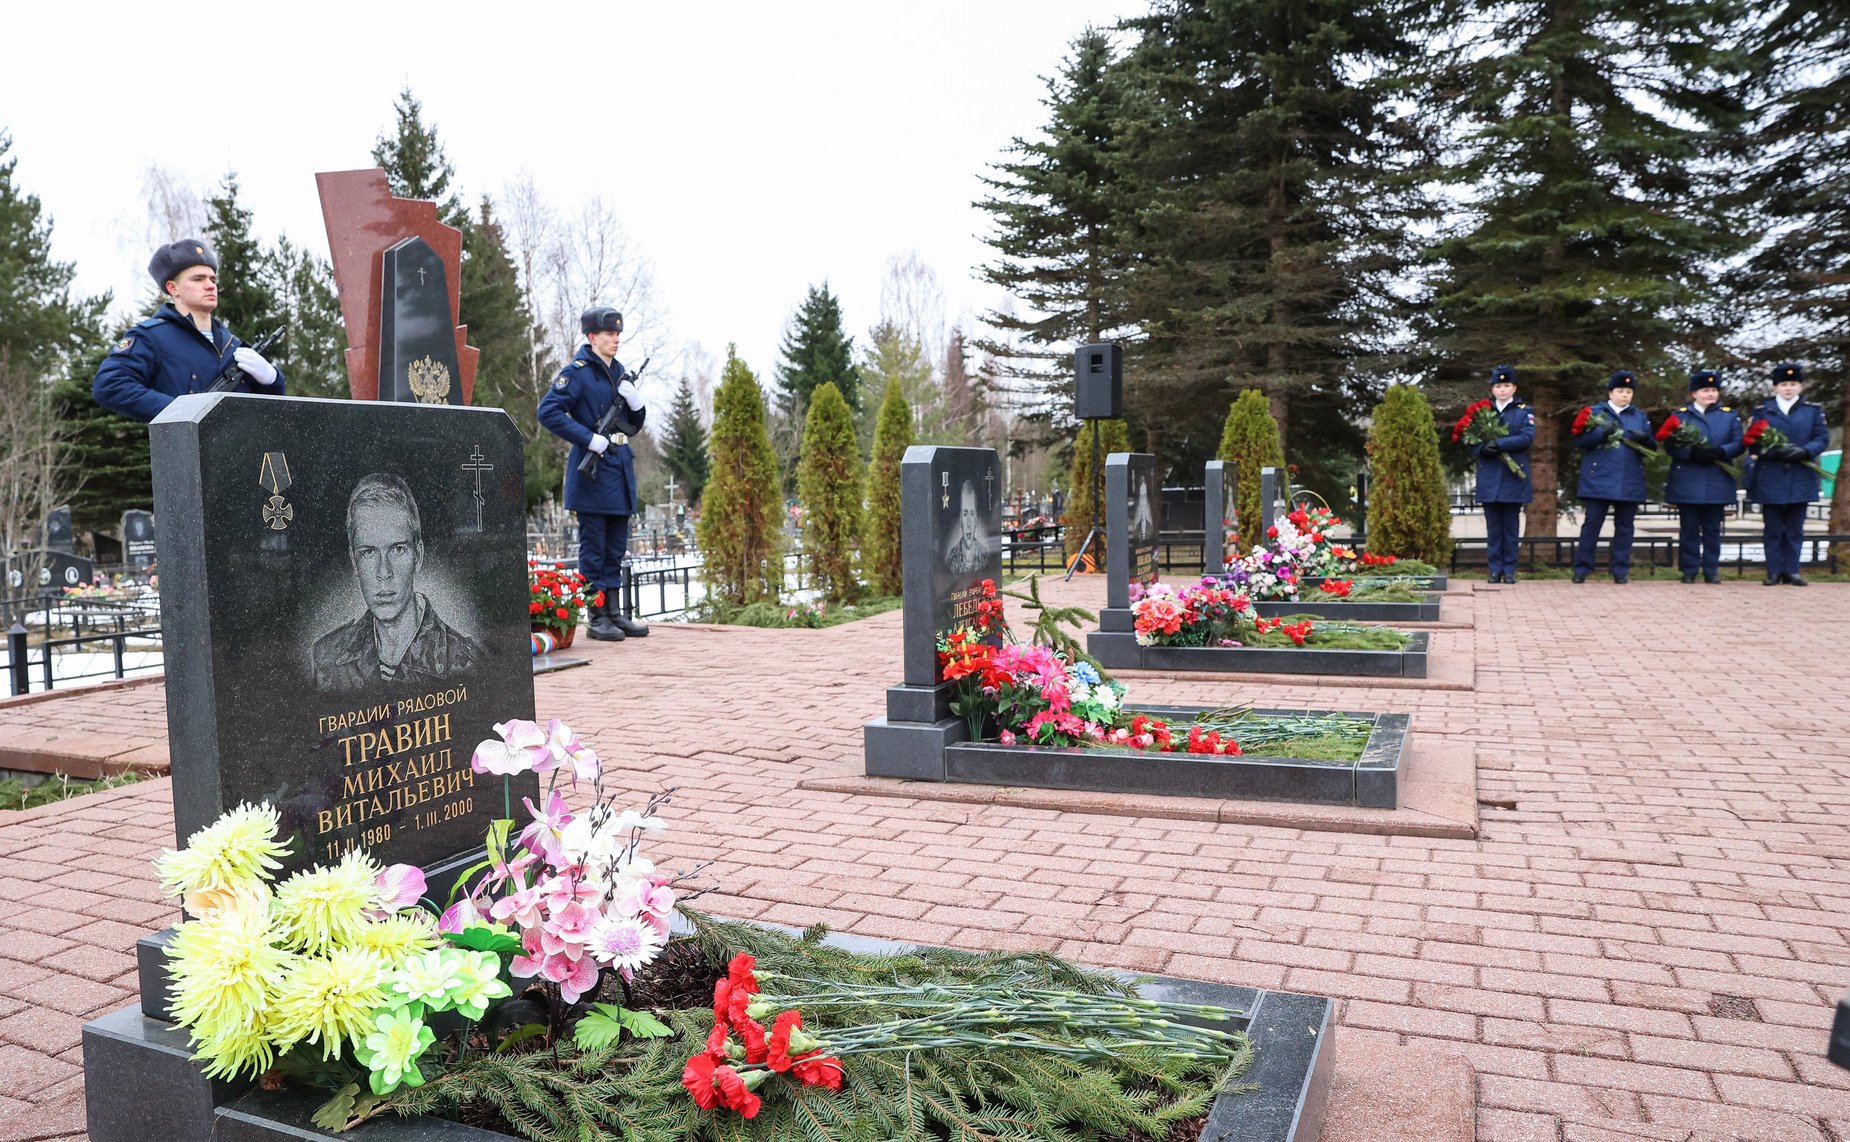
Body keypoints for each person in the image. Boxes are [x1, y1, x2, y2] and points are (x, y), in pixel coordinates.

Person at [538, 307, 648, 640]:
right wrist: (589, 438)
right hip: (593, 470)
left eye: (617, 334)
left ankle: (614, 613)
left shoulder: (621, 374)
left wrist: (637, 405)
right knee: (594, 548)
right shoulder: (579, 373)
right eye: (608, 334)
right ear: (592, 337)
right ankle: (597, 615)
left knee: (616, 547)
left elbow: (632, 426)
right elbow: (548, 412)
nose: (615, 339)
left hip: (619, 466)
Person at [313, 473, 480, 689]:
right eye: (369, 552)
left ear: (418, 556)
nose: (384, 572)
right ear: (354, 562)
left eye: (398, 549)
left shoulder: (465, 661)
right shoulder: (328, 656)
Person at [93, 238, 285, 421]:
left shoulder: (233, 344)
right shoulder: (151, 337)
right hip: (186, 451)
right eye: (198, 279)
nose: (210, 286)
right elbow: (110, 385)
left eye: (212, 279)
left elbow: (273, 408)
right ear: (173, 288)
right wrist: (182, 412)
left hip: (243, 450)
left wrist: (272, 379)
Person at [1745, 362, 1828, 586]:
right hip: (1771, 475)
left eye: (1793, 384)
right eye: (1783, 384)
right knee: (1772, 528)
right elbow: (1752, 442)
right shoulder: (1762, 411)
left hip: (1801, 475)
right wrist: (1773, 451)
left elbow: (1821, 438)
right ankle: (1773, 571)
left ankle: (1792, 571)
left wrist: (1805, 451)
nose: (1788, 388)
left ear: (1800, 386)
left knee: (1794, 529)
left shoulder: (1812, 410)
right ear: (1775, 387)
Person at [1571, 370, 1656, 584]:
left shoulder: (1639, 416)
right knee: (1592, 524)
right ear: (1611, 392)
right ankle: (1582, 568)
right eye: (1620, 391)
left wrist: (1645, 439)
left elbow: (1652, 447)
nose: (1625, 395)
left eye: (1629, 391)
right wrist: (1601, 433)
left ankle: (1620, 569)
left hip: (1629, 477)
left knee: (1625, 526)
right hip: (1599, 477)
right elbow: (1579, 441)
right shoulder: (1594, 413)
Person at [1662, 369, 1743, 584]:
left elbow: (1738, 442)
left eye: (1714, 390)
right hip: (1689, 478)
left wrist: (1721, 452)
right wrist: (1691, 453)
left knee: (1712, 528)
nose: (1711, 394)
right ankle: (1689, 570)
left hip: (1717, 477)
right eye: (1705, 390)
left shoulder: (1729, 415)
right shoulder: (1680, 415)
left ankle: (1711, 569)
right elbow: (1670, 445)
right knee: (1689, 528)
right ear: (1694, 393)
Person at [1471, 364, 1536, 583]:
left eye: (1506, 385)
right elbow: (1471, 440)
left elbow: (1527, 438)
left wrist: (1498, 443)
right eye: (1498, 386)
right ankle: (1494, 569)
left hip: (1512, 478)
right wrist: (1482, 449)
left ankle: (1509, 570)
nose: (1502, 390)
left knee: (1510, 528)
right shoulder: (1483, 412)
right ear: (1492, 389)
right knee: (1493, 529)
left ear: (1514, 388)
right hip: (1490, 476)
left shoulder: (1523, 411)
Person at [945, 481, 991, 576]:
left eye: (972, 513)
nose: (969, 523)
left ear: (976, 519)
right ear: (960, 519)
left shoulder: (985, 556)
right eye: (965, 514)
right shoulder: (952, 558)